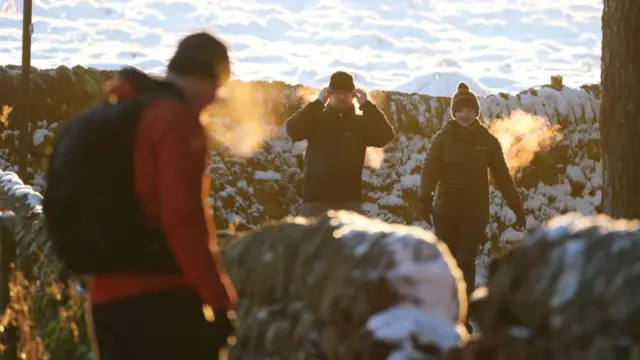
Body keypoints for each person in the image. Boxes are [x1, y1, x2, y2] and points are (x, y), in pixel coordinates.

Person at [85, 32, 238, 360]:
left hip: (104, 301)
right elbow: (183, 218)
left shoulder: (126, 112)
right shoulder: (175, 120)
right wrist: (219, 299)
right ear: (204, 78)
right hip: (159, 302)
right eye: (217, 86)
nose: (214, 98)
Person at [418, 82, 526, 312]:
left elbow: (502, 176)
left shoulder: (487, 141)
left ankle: (463, 311)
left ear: (476, 113)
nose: (464, 115)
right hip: (445, 210)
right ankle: (445, 308)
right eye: (460, 110)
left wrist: (515, 203)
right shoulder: (442, 139)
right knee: (446, 261)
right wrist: (424, 199)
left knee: (466, 261)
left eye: (469, 110)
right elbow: (429, 169)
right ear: (453, 113)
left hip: (475, 213)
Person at [285, 71, 395, 217]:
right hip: (316, 202)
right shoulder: (316, 120)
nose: (342, 97)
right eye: (337, 93)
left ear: (353, 96)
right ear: (329, 94)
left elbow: (385, 136)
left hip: (349, 202)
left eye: (346, 93)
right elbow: (293, 130)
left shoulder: (360, 124)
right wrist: (317, 103)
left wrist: (367, 105)